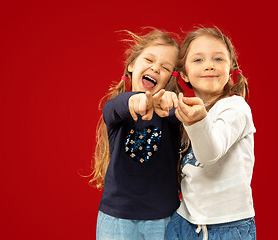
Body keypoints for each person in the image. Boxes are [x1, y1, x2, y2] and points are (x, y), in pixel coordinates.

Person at [90, 28, 184, 240]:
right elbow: (113, 109)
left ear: (171, 77)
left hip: (163, 218)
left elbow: (177, 116)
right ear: (132, 64)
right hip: (116, 218)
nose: (155, 68)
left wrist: (170, 101)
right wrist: (135, 100)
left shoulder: (171, 110)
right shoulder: (117, 107)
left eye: (165, 67)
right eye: (149, 59)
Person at [166, 27, 256, 240]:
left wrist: (197, 121)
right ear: (185, 74)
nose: (209, 65)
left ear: (230, 68)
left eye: (218, 58)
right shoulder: (186, 111)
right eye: (198, 60)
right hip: (184, 221)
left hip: (228, 226)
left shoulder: (235, 108)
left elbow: (210, 152)